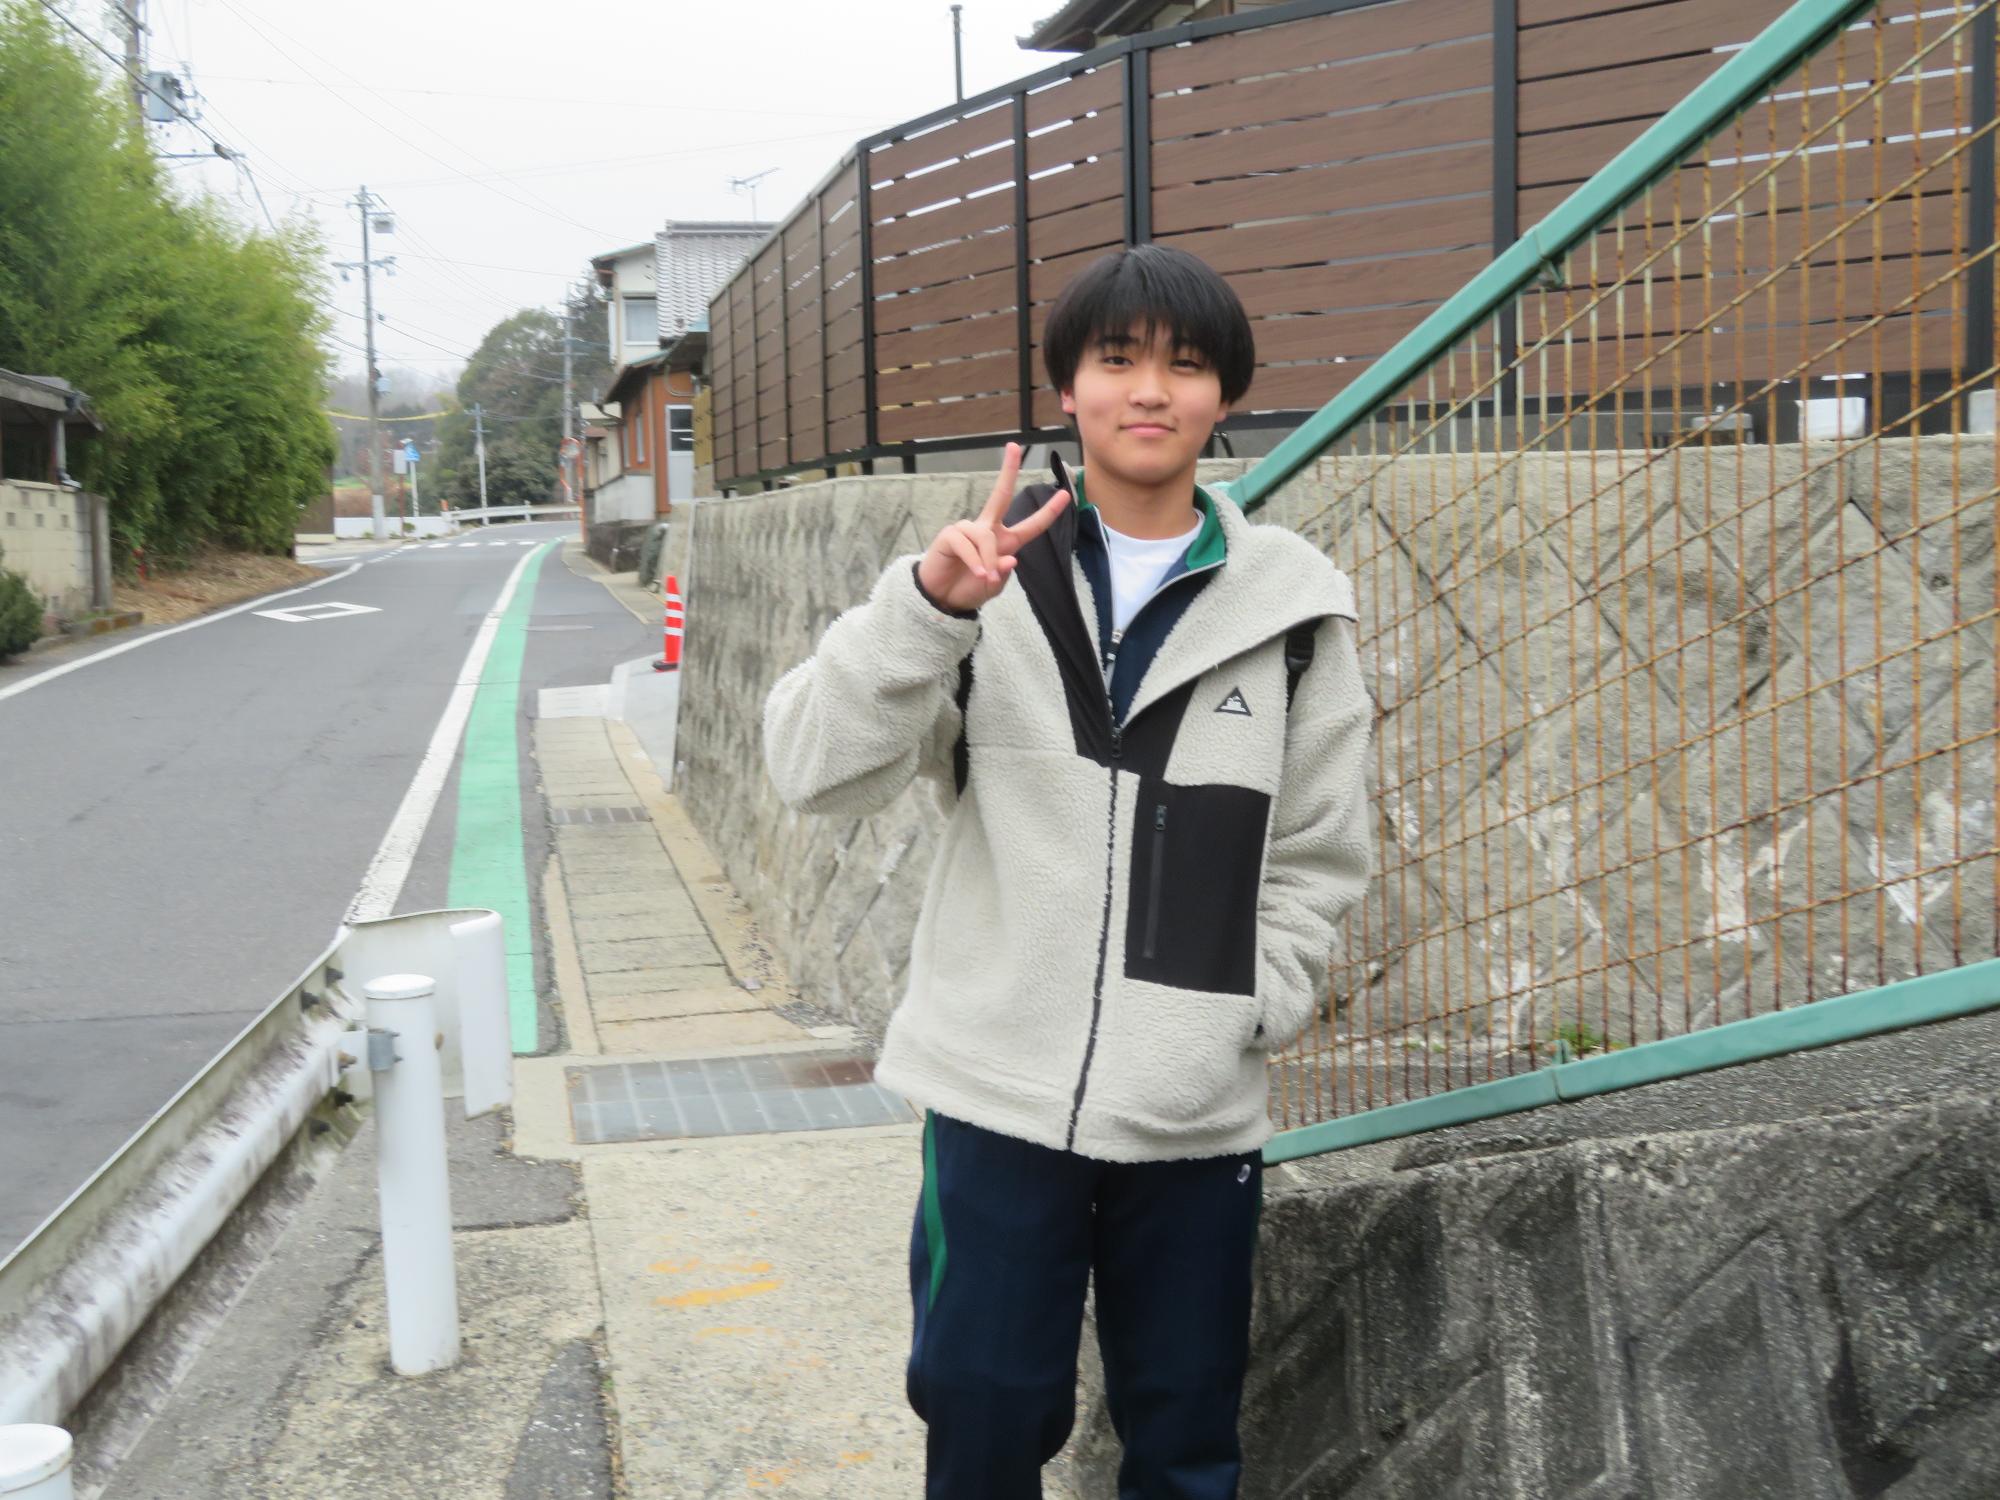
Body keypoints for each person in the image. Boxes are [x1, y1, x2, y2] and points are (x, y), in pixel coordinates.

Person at [762, 243, 1372, 1499]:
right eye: (1117, 360)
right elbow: (811, 770)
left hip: (1192, 1109)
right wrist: (926, 609)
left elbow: (1315, 851)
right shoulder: (979, 581)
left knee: (1184, 1434)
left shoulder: (1294, 614)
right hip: (993, 1095)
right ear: (1067, 389)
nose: (1149, 390)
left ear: (1223, 395)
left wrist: (1250, 1003)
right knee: (980, 1412)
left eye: (1184, 365)